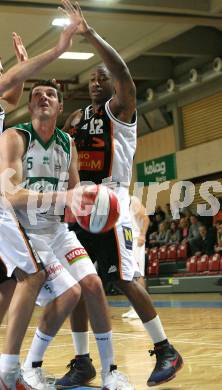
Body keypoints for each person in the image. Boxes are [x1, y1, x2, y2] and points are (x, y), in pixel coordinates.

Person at [0, 20, 82, 390]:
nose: (1, 77)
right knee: (33, 274)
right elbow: (8, 88)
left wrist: (16, 69)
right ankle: (8, 373)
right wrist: (57, 49)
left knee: (8, 284)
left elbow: (10, 96)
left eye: (2, 71)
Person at [59, 1, 183, 387]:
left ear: (114, 84)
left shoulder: (121, 110)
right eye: (92, 79)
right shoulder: (76, 120)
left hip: (111, 205)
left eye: (103, 77)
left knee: (126, 281)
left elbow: (123, 72)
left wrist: (89, 34)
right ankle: (82, 361)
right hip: (80, 208)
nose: (97, 82)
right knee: (77, 286)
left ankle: (166, 350)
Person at [5, 80, 133, 389]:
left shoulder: (67, 143)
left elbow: (75, 193)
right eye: (36, 95)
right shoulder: (16, 137)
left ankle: (110, 372)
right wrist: (64, 199)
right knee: (70, 293)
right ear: (30, 106)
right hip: (29, 233)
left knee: (92, 284)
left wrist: (102, 205)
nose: (43, 98)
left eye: (50, 94)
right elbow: (10, 193)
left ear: (60, 107)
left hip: (58, 230)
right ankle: (30, 367)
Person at [122, 195, 149, 320]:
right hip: (125, 240)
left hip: (135, 239)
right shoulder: (117, 200)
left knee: (137, 273)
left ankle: (142, 308)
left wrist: (142, 235)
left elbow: (145, 218)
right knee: (130, 275)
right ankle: (135, 307)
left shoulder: (132, 199)